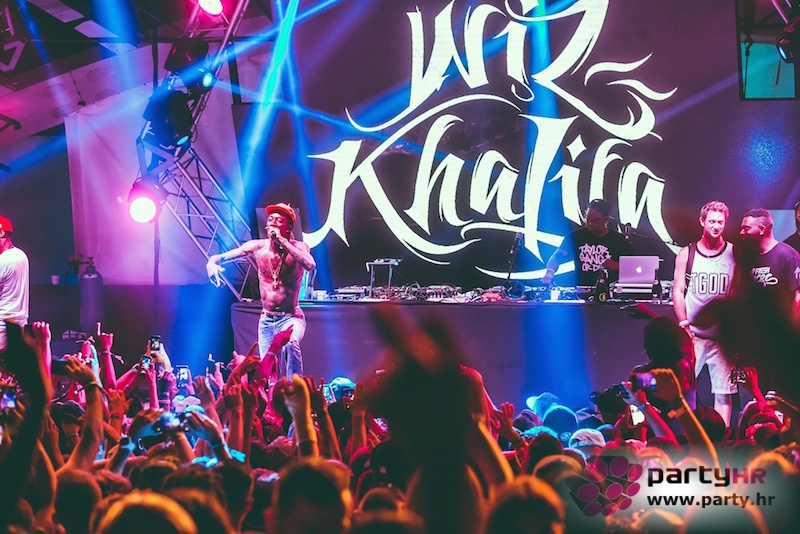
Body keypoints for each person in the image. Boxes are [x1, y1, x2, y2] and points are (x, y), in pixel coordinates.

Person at [206, 203, 315, 379]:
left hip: (290, 317)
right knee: (268, 369)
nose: (273, 223)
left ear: (288, 228)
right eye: (271, 219)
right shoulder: (258, 247)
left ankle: (295, 387)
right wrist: (211, 262)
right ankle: (272, 392)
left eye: (279, 220)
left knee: (290, 343)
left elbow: (309, 264)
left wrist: (282, 241)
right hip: (267, 319)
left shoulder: (299, 247)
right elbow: (222, 257)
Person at [672, 201, 737, 426]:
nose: (716, 226)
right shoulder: (687, 253)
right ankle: (689, 435)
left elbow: (738, 292)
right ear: (702, 221)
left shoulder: (734, 253)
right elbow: (678, 291)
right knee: (686, 391)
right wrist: (684, 325)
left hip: (722, 338)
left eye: (720, 222)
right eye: (712, 221)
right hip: (693, 335)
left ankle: (722, 435)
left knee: (723, 392)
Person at [541, 199, 632, 287]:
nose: (590, 223)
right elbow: (556, 257)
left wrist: (617, 266)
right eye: (587, 218)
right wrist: (550, 272)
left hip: (611, 292)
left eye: (596, 220)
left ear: (606, 220)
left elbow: (632, 269)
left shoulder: (619, 240)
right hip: (582, 291)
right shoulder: (575, 236)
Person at [0, 215, 29, 352]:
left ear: (1, 233)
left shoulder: (4, 260)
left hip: (2, 327)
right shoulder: (21, 255)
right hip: (18, 326)